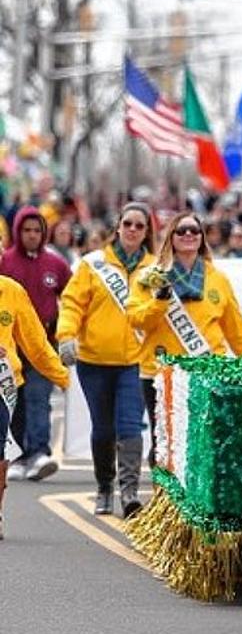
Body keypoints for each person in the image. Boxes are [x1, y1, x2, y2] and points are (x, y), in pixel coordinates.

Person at [56, 203, 156, 517]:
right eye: (128, 224)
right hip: (94, 361)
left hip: (134, 362)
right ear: (118, 227)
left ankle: (129, 493)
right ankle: (103, 487)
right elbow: (72, 303)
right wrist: (66, 334)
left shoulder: (155, 269)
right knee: (103, 429)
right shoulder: (92, 264)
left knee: (129, 425)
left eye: (140, 226)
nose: (133, 230)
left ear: (147, 232)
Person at [127, 214, 242, 451]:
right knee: (165, 445)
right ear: (171, 237)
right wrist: (160, 301)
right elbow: (136, 319)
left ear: (202, 237)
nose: (189, 235)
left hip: (207, 370)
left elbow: (237, 330)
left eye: (195, 231)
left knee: (205, 444)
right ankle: (163, 490)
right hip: (161, 371)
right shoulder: (150, 277)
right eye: (182, 230)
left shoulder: (218, 278)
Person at [0, 206, 72, 482]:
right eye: (27, 230)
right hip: (9, 354)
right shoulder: (6, 263)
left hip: (41, 338)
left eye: (37, 230)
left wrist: (66, 331)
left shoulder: (55, 264)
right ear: (17, 232)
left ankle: (39, 452)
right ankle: (20, 455)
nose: (32, 235)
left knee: (39, 399)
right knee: (15, 406)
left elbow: (73, 296)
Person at [0, 274, 71, 539]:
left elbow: (36, 343)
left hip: (3, 384)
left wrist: (62, 376)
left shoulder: (12, 291)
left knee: (0, 451)